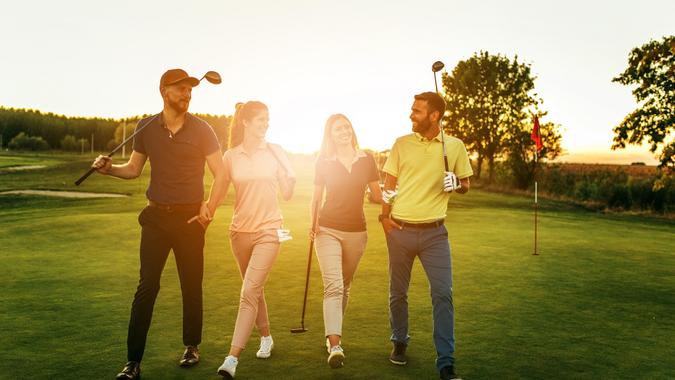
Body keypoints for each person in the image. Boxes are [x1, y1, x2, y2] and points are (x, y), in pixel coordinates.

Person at [91, 69, 226, 380]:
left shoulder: (203, 129)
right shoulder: (146, 127)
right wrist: (109, 170)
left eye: (190, 90)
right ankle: (133, 362)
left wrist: (211, 208)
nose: (187, 95)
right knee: (146, 287)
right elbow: (134, 169)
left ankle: (192, 345)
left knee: (191, 284)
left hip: (190, 219)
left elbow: (222, 173)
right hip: (155, 218)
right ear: (165, 91)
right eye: (181, 90)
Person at [379, 92, 472, 380]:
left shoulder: (454, 146)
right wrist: (384, 215)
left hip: (435, 234)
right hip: (401, 230)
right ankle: (399, 342)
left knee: (443, 294)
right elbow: (389, 184)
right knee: (398, 293)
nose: (411, 115)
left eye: (417, 111)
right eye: (412, 109)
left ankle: (446, 362)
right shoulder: (401, 144)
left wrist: (456, 182)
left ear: (434, 116)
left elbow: (467, 184)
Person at [216, 101, 296, 379]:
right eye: (260, 119)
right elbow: (220, 188)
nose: (266, 124)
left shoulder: (276, 152)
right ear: (245, 122)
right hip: (239, 232)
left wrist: (291, 180)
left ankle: (232, 358)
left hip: (270, 230)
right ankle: (266, 337)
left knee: (248, 291)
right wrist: (206, 210)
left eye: (267, 119)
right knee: (254, 288)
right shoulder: (230, 156)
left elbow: (287, 194)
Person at [311, 114, 383, 368]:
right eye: (337, 128)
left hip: (357, 231)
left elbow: (377, 195)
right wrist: (313, 223)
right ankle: (335, 344)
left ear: (352, 130)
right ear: (330, 135)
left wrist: (390, 197)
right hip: (328, 228)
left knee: (345, 284)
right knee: (334, 286)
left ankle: (332, 334)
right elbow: (316, 197)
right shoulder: (324, 162)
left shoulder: (367, 160)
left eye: (346, 126)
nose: (343, 131)